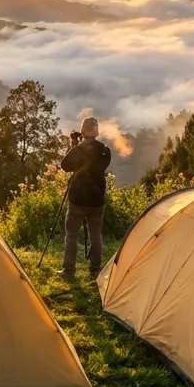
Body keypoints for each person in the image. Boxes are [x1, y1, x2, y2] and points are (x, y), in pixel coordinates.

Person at [57, 117, 112, 281]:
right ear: (96, 131)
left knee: (72, 234)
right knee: (96, 235)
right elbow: (99, 165)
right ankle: (95, 270)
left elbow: (65, 166)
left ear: (83, 130)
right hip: (97, 200)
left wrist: (73, 147)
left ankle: (69, 271)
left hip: (78, 198)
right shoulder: (105, 151)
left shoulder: (78, 149)